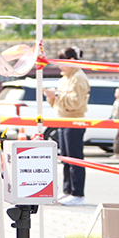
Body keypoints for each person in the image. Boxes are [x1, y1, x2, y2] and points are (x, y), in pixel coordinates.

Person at [45, 46, 90, 205]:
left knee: (75, 158)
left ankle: (78, 194)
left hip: (74, 120)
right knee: (65, 158)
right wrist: (52, 96)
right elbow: (59, 103)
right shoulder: (65, 78)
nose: (59, 66)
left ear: (71, 60)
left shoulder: (78, 77)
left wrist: (56, 95)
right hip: (63, 120)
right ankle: (68, 191)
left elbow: (76, 102)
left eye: (61, 62)